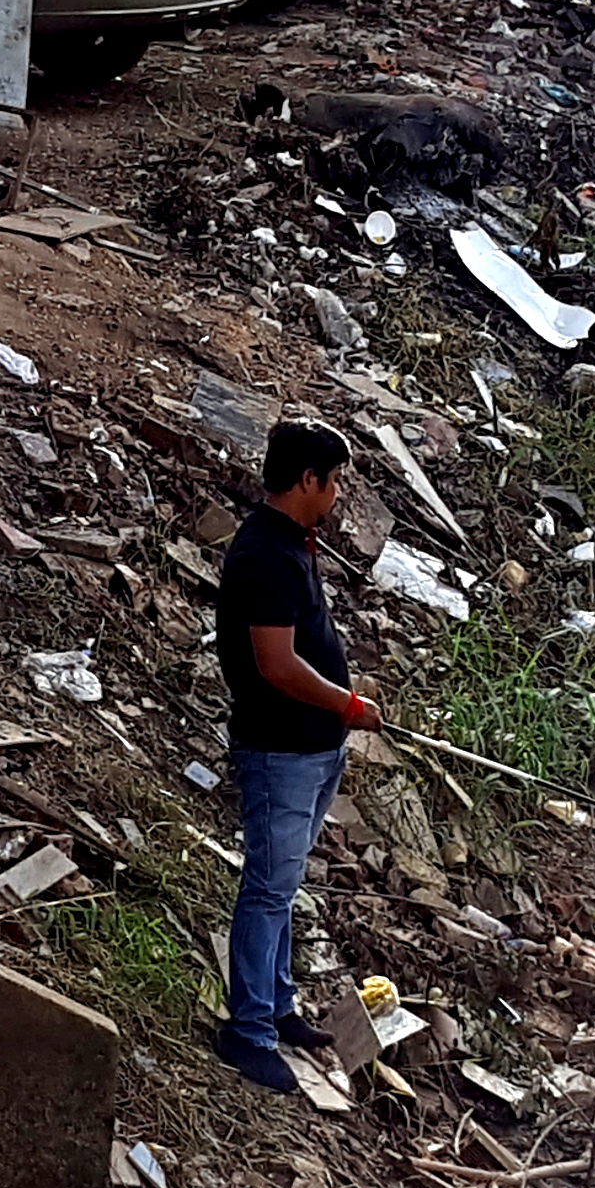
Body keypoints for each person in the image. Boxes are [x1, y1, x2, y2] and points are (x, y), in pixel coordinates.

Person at [211, 416, 379, 1093]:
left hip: (311, 751)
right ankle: (247, 1029)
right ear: (306, 480)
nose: (338, 494)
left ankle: (276, 1007)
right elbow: (275, 665)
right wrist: (344, 703)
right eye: (334, 481)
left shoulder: (294, 544)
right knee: (268, 887)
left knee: (283, 887)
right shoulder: (265, 556)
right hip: (280, 751)